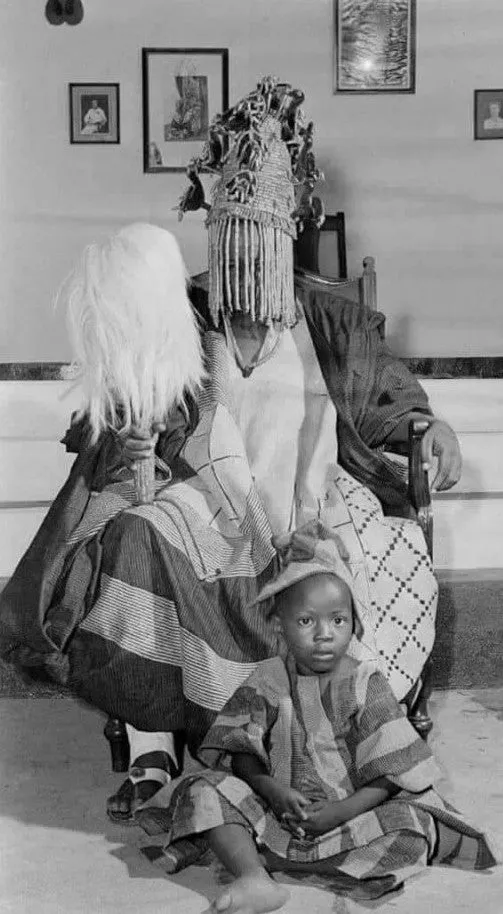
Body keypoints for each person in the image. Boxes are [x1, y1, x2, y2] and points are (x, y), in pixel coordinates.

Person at [0, 77, 462, 825]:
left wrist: (426, 428)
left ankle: (297, 741)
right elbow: (117, 402)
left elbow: (393, 400)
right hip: (207, 508)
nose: (244, 267)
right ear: (218, 240)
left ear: (283, 243)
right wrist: (129, 425)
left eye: (260, 246)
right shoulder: (176, 312)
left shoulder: (330, 321)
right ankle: (154, 750)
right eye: (232, 244)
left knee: (358, 563)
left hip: (312, 503)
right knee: (134, 537)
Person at [136, 522, 497, 910]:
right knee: (204, 789)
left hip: (352, 814)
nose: (324, 634)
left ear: (354, 624)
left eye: (338, 620)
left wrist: (340, 812)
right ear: (280, 627)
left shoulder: (365, 683)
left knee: (413, 827)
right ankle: (255, 877)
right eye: (307, 622)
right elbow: (240, 751)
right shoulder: (268, 679)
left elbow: (394, 773)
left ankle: (265, 859)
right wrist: (273, 793)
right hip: (277, 812)